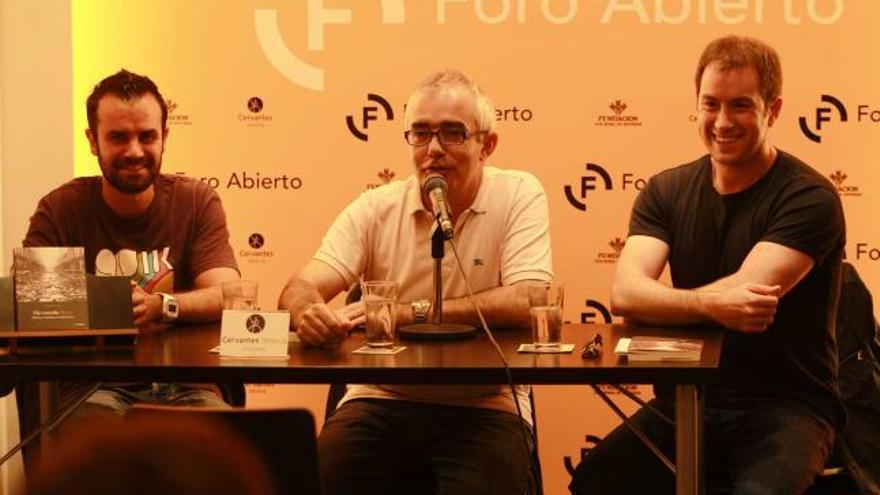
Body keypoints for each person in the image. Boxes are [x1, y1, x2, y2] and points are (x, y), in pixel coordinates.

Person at [570, 35, 845, 495]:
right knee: (597, 480)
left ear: (772, 111)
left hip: (786, 407)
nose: (722, 121)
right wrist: (711, 305)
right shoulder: (665, 190)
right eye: (710, 104)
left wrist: (664, 303)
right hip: (686, 400)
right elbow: (625, 295)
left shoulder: (809, 197)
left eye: (740, 106)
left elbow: (747, 295)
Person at [278, 69, 552, 495]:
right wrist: (308, 312)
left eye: (452, 133)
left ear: (487, 145)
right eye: (420, 134)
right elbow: (299, 287)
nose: (434, 150)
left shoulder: (519, 194)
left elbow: (530, 297)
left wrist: (408, 313)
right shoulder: (376, 207)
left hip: (485, 404)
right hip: (382, 397)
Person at [14, 69, 240, 467]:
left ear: (165, 138)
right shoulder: (60, 209)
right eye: (118, 137)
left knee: (222, 456)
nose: (135, 150)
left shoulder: (196, 201)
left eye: (147, 136)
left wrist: (161, 305)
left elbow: (228, 294)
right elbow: (31, 310)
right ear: (92, 141)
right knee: (96, 452)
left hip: (188, 386)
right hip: (90, 392)